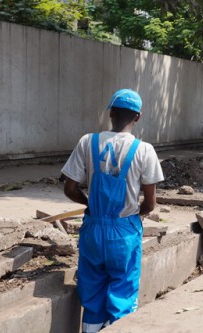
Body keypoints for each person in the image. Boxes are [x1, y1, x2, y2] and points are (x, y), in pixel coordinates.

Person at [61, 89, 164, 333]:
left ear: (111, 113)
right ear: (137, 117)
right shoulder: (144, 150)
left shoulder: (88, 141)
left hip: (93, 229)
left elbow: (69, 188)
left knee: (93, 295)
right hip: (124, 230)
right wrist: (133, 215)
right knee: (123, 294)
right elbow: (150, 203)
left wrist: (90, 205)